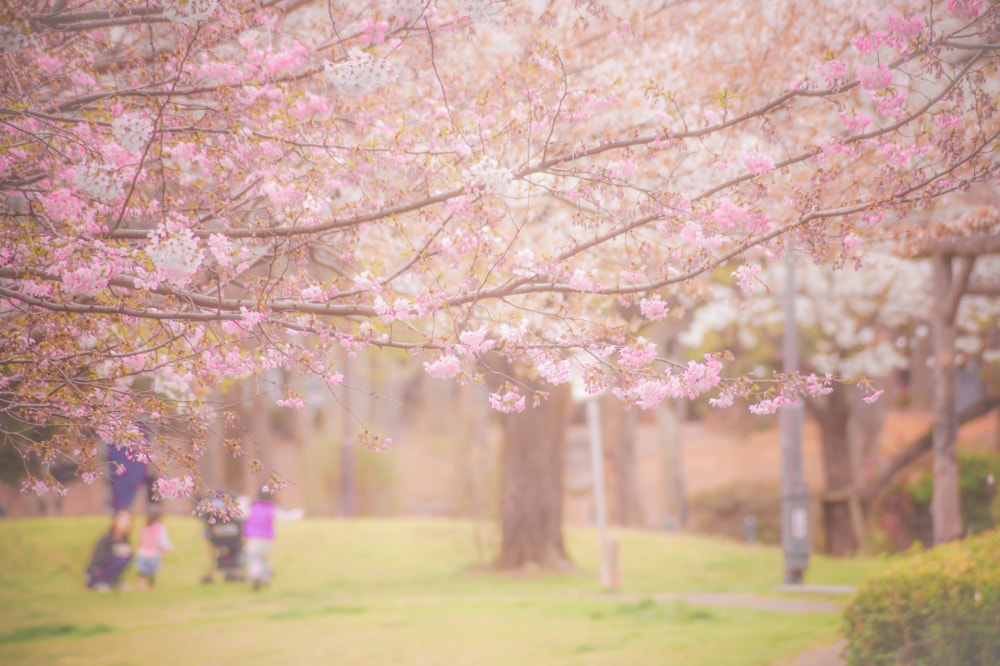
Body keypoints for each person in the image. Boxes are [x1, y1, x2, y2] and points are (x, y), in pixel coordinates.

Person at [85, 511, 134, 591]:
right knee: (121, 558)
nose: (126, 524)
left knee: (126, 556)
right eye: (123, 521)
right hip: (96, 572)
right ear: (115, 521)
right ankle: (98, 583)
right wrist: (117, 551)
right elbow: (99, 559)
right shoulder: (107, 539)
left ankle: (114, 582)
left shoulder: (125, 540)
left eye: (129, 521)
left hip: (109, 571)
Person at [242, 487, 277, 591]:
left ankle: (256, 576)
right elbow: (285, 516)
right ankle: (265, 578)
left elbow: (241, 515)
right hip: (267, 538)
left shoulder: (252, 506)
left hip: (253, 537)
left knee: (254, 558)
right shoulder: (272, 507)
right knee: (264, 558)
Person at [135, 508, 173, 589]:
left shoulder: (146, 527)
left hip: (143, 553)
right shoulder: (160, 528)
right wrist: (170, 547)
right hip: (154, 554)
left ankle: (141, 584)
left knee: (142, 570)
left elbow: (141, 539)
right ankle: (151, 586)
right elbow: (161, 541)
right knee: (152, 571)